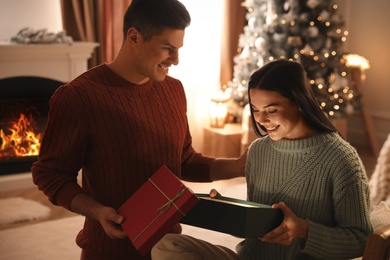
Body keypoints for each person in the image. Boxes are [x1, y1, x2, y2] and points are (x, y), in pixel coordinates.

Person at [31, 0, 245, 259]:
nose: (176, 60)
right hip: (108, 251)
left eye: (178, 49)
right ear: (134, 37)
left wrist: (235, 167)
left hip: (167, 248)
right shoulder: (77, 97)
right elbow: (50, 174)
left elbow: (183, 159)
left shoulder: (173, 90)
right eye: (167, 48)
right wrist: (98, 211)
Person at [151, 59, 373, 259]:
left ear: (299, 102)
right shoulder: (258, 151)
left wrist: (303, 230)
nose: (262, 119)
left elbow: (361, 240)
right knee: (167, 246)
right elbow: (258, 223)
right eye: (256, 110)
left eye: (272, 110)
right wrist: (229, 210)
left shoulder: (342, 159)